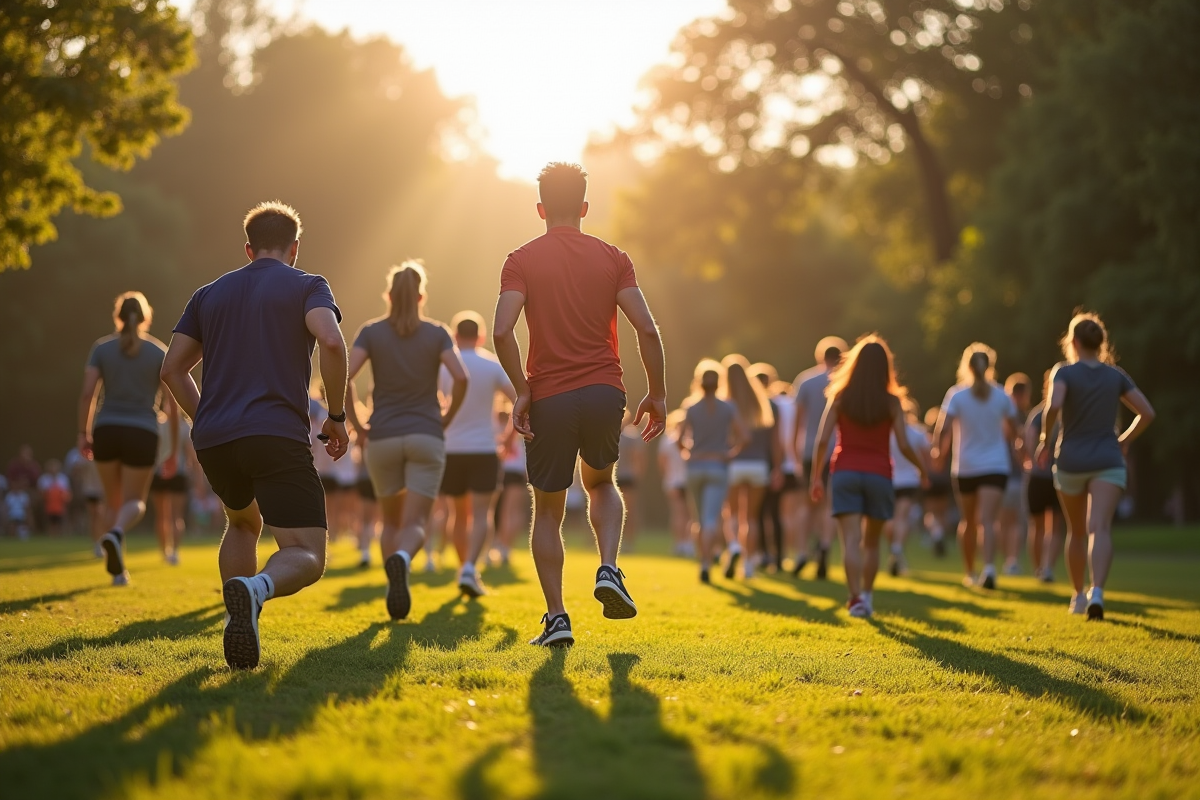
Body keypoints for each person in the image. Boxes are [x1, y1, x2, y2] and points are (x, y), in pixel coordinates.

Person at [161, 201, 350, 670]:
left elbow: (171, 369)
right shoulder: (308, 285)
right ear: (295, 248)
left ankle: (236, 624)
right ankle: (256, 589)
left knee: (243, 523)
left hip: (215, 439)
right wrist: (337, 414)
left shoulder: (209, 293)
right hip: (275, 434)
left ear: (248, 249)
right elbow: (330, 339)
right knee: (306, 552)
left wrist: (204, 417)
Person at [493, 161, 667, 648]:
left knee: (547, 510)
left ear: (541, 208)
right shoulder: (615, 258)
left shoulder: (520, 259)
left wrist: (521, 389)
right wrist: (658, 392)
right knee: (601, 483)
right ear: (585, 208)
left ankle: (557, 618)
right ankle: (609, 567)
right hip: (603, 391)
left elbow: (502, 330)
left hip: (548, 394)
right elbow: (647, 329)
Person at [346, 261, 468, 621]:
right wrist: (445, 418)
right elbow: (461, 378)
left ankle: (391, 581)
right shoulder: (438, 333)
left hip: (381, 436)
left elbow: (343, 378)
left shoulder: (371, 332)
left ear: (388, 296)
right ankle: (403, 559)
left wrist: (358, 423)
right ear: (420, 296)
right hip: (426, 435)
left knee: (390, 520)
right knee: (416, 523)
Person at [1036, 312, 1154, 619]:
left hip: (1071, 461)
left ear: (1073, 342)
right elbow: (1147, 412)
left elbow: (1054, 406)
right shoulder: (1115, 375)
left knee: (1076, 531)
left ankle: (1078, 597)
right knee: (1099, 528)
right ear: (1100, 343)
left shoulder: (1063, 372)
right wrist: (1124, 440)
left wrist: (1046, 437)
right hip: (1108, 460)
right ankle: (1097, 591)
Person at [809, 336, 927, 618]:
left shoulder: (840, 397)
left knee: (850, 540)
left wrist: (815, 477)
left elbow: (822, 441)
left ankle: (854, 599)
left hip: (845, 473)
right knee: (871, 543)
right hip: (879, 475)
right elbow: (904, 443)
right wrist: (921, 468)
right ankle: (869, 597)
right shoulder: (891, 401)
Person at [79, 292, 178, 586]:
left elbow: (88, 394)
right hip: (142, 432)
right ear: (146, 317)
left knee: (113, 502)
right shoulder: (159, 352)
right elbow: (172, 405)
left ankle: (117, 571)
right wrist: (172, 449)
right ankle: (116, 534)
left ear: (118, 317)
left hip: (106, 430)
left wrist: (82, 434)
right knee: (135, 502)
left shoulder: (102, 348)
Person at [438, 310, 516, 597]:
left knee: (457, 515)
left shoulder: (443, 366)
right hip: (484, 448)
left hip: (451, 449)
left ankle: (464, 569)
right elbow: (519, 401)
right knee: (482, 513)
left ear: (454, 335)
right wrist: (508, 439)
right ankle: (471, 568)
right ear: (481, 336)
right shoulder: (492, 364)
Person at [932, 343, 1021, 590]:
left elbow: (943, 428)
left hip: (966, 466)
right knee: (988, 520)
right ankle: (990, 568)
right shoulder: (1002, 395)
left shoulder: (957, 395)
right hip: (996, 465)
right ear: (990, 366)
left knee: (968, 521)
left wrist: (939, 454)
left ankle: (970, 572)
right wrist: (1021, 451)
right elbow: (1016, 430)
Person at [679, 360, 746, 583]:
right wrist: (730, 453)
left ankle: (703, 561)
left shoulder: (690, 407)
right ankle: (707, 562)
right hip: (718, 466)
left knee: (699, 519)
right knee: (710, 519)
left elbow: (678, 440)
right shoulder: (728, 407)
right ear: (718, 383)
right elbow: (744, 436)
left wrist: (689, 452)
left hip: (695, 466)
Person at [791, 337, 847, 578]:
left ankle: (802, 552)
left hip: (809, 449)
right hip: (837, 449)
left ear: (820, 356)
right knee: (828, 503)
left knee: (807, 504)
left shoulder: (805, 380)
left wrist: (794, 449)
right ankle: (824, 546)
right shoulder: (845, 382)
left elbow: (797, 420)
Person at [722, 355, 777, 579]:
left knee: (732, 514)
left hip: (734, 464)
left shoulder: (725, 404)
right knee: (751, 518)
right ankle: (749, 565)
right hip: (759, 466)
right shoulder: (760, 403)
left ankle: (734, 546)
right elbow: (774, 440)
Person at [750, 365, 793, 572]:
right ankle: (778, 557)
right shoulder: (774, 406)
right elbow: (777, 440)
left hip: (752, 463)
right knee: (774, 514)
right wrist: (778, 467)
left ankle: (762, 554)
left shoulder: (745, 404)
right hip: (768, 464)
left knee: (756, 514)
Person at [1025, 372, 1063, 582]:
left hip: (1038, 476)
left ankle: (1038, 568)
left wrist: (1032, 463)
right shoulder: (1065, 413)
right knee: (1054, 526)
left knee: (1037, 526)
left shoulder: (1038, 414)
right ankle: (1047, 568)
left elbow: (1030, 441)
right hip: (1059, 474)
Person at [886, 396, 931, 576]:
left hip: (890, 480)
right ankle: (897, 548)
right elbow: (926, 457)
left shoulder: (888, 433)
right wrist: (924, 473)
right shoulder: (918, 433)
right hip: (909, 480)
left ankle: (895, 549)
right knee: (902, 517)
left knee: (890, 520)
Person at [151, 404, 194, 565]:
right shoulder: (184, 427)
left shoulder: (157, 424)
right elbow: (191, 455)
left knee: (163, 516)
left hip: (160, 472)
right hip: (178, 472)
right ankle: (173, 552)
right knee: (175, 515)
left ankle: (165, 552)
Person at [1000, 373, 1032, 574]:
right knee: (1015, 522)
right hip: (1017, 474)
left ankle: (1008, 560)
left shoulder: (1000, 414)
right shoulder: (1025, 417)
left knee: (1004, 522)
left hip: (1001, 474)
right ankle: (1011, 560)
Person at [495, 409, 529, 566]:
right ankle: (506, 547)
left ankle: (501, 546)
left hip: (503, 469)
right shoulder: (521, 420)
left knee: (503, 511)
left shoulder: (495, 423)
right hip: (517, 471)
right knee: (513, 511)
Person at [659, 409, 693, 558]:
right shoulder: (690, 439)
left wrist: (668, 478)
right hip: (688, 479)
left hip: (674, 480)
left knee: (678, 513)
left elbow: (662, 462)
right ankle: (687, 544)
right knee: (689, 514)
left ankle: (680, 543)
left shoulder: (667, 440)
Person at [921, 406, 952, 557]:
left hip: (931, 479)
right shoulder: (946, 439)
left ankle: (936, 533)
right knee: (942, 513)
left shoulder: (925, 439)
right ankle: (939, 536)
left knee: (930, 513)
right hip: (944, 480)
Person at [616, 416, 648, 552]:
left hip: (626, 477)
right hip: (617, 477)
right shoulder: (628, 436)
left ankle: (629, 541)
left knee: (629, 511)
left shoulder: (631, 437)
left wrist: (637, 474)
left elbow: (638, 457)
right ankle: (621, 541)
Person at [37, 459, 72, 536]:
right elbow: (41, 493)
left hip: (60, 504)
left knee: (60, 520)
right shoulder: (43, 479)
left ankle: (60, 534)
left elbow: (67, 493)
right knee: (50, 521)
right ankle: (50, 534)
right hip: (48, 504)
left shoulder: (63, 479)